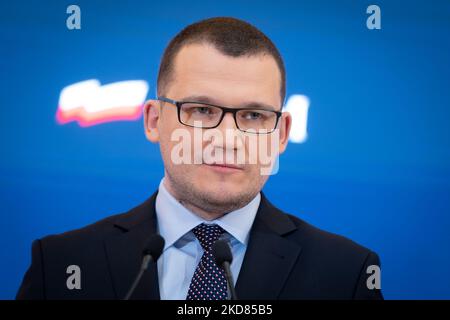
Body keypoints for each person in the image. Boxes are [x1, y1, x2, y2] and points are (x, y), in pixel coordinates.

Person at [17, 17, 383, 300]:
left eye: (253, 116)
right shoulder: (63, 264)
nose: (227, 139)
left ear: (282, 133)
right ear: (154, 121)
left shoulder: (346, 274)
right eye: (202, 110)